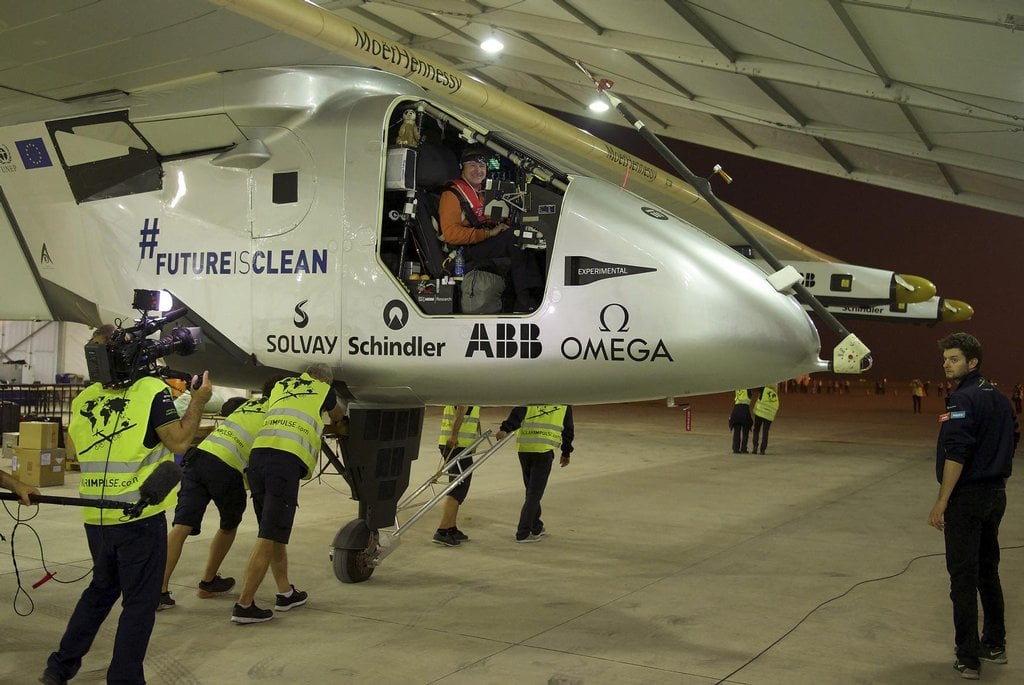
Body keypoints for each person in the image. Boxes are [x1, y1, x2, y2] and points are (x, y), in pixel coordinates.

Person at [41, 368, 213, 685]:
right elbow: (180, 442)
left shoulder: (86, 396)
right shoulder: (150, 390)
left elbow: (75, 449)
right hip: (138, 515)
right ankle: (124, 679)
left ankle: (60, 667)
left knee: (101, 590)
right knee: (140, 603)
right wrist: (199, 400)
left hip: (96, 515)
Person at [928, 333, 1018, 679]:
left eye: (953, 359)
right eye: (946, 358)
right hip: (996, 495)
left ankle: (968, 657)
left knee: (962, 578)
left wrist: (942, 501)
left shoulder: (961, 400)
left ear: (972, 362)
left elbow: (956, 453)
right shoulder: (999, 398)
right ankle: (995, 643)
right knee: (987, 570)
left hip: (968, 499)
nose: (946, 364)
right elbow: (1013, 437)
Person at [231, 364, 346, 624]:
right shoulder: (323, 389)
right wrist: (340, 422)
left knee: (271, 532)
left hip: (259, 457)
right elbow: (337, 416)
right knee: (269, 535)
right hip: (285, 461)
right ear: (325, 380)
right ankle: (244, 604)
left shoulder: (282, 385)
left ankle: (285, 592)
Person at [158, 378, 278, 610]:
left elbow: (227, 405)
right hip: (227, 466)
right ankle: (208, 581)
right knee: (229, 524)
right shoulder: (277, 415)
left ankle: (158, 591)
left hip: (198, 457)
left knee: (181, 526)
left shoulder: (246, 405)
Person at [438, 145, 543, 312]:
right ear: (461, 168)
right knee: (514, 237)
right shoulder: (451, 195)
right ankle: (524, 300)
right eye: (472, 165)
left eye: (482, 166)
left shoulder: (484, 194)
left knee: (524, 234)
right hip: (463, 252)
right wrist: (487, 233)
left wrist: (502, 225)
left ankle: (537, 294)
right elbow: (451, 234)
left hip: (484, 244)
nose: (478, 170)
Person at [496, 405, 574, 542]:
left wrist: (505, 429)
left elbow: (517, 413)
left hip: (525, 449)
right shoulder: (563, 403)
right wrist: (566, 452)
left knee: (531, 491)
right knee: (534, 494)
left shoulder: (531, 393)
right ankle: (523, 532)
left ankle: (536, 525)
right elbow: (568, 429)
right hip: (543, 451)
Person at [432, 405, 481, 547]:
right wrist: (454, 435)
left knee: (457, 486)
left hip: (457, 445)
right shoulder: (467, 389)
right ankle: (442, 530)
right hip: (458, 445)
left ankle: (451, 528)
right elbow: (461, 410)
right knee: (457, 489)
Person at [752, 384, 780, 455]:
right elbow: (776, 406)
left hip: (759, 413)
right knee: (765, 432)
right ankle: (762, 449)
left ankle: (755, 447)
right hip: (768, 416)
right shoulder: (775, 395)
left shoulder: (763, 389)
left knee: (756, 430)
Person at [728, 389, 753, 454]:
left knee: (736, 431)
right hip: (744, 411)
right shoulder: (748, 390)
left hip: (736, 411)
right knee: (745, 431)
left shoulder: (738, 389)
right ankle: (743, 448)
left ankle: (735, 448)